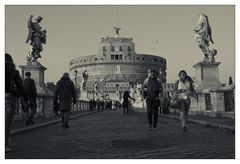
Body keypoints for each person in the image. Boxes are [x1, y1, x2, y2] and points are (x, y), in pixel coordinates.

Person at [5, 53, 28, 152]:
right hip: (9, 97)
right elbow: (20, 86)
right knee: (6, 122)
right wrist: (25, 98)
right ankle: (4, 145)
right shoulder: (14, 72)